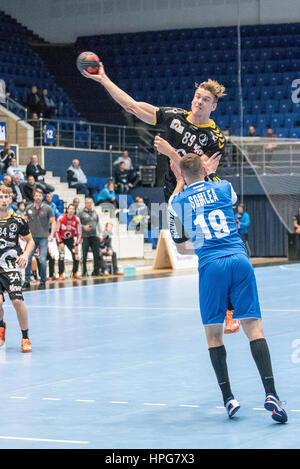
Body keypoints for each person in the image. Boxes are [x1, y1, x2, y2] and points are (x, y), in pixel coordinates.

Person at [82, 63, 239, 331]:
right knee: (182, 248)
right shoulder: (174, 117)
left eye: (206, 100)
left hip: (199, 196)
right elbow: (132, 106)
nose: (199, 102)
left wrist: (169, 152)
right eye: (198, 96)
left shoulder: (215, 138)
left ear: (214, 106)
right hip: (174, 194)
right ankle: (221, 294)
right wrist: (103, 79)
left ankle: (228, 309)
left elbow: (196, 171)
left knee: (210, 252)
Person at [158, 140, 287, 423]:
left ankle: (228, 398)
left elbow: (178, 236)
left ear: (182, 174)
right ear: (204, 170)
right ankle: (271, 393)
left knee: (213, 336)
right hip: (239, 259)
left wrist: (181, 182)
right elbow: (221, 195)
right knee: (254, 328)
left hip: (211, 264)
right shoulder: (223, 187)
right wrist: (208, 174)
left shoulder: (177, 202)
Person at [0, 184, 35, 353]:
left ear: (11, 199)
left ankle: (25, 337)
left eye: (6, 197)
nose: (3, 200)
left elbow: (30, 241)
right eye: (0, 197)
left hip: (10, 267)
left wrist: (25, 255)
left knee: (16, 301)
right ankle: (1, 327)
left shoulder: (19, 220)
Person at [23, 188, 56, 290]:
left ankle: (42, 281)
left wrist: (52, 234)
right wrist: (24, 234)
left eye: (40, 196)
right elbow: (24, 221)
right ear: (33, 197)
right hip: (31, 238)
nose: (38, 197)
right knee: (27, 258)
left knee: (42, 259)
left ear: (42, 197)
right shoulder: (28, 208)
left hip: (43, 238)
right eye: (36, 195)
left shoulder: (47, 208)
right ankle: (27, 281)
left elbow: (53, 222)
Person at [79, 198, 108, 277]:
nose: (89, 204)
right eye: (87, 203)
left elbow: (98, 224)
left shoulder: (95, 212)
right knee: (84, 255)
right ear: (85, 203)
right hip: (85, 237)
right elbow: (77, 224)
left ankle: (96, 271)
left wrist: (100, 234)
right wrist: (83, 227)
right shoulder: (81, 213)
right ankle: (84, 272)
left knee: (97, 254)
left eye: (90, 203)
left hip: (94, 236)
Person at [55, 204, 82, 280]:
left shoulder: (77, 219)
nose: (71, 210)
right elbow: (56, 231)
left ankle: (74, 273)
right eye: (70, 209)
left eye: (73, 209)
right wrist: (60, 242)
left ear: (74, 211)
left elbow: (79, 233)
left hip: (70, 239)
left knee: (76, 255)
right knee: (62, 255)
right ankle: (60, 274)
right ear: (67, 210)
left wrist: (77, 244)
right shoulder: (61, 218)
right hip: (61, 238)